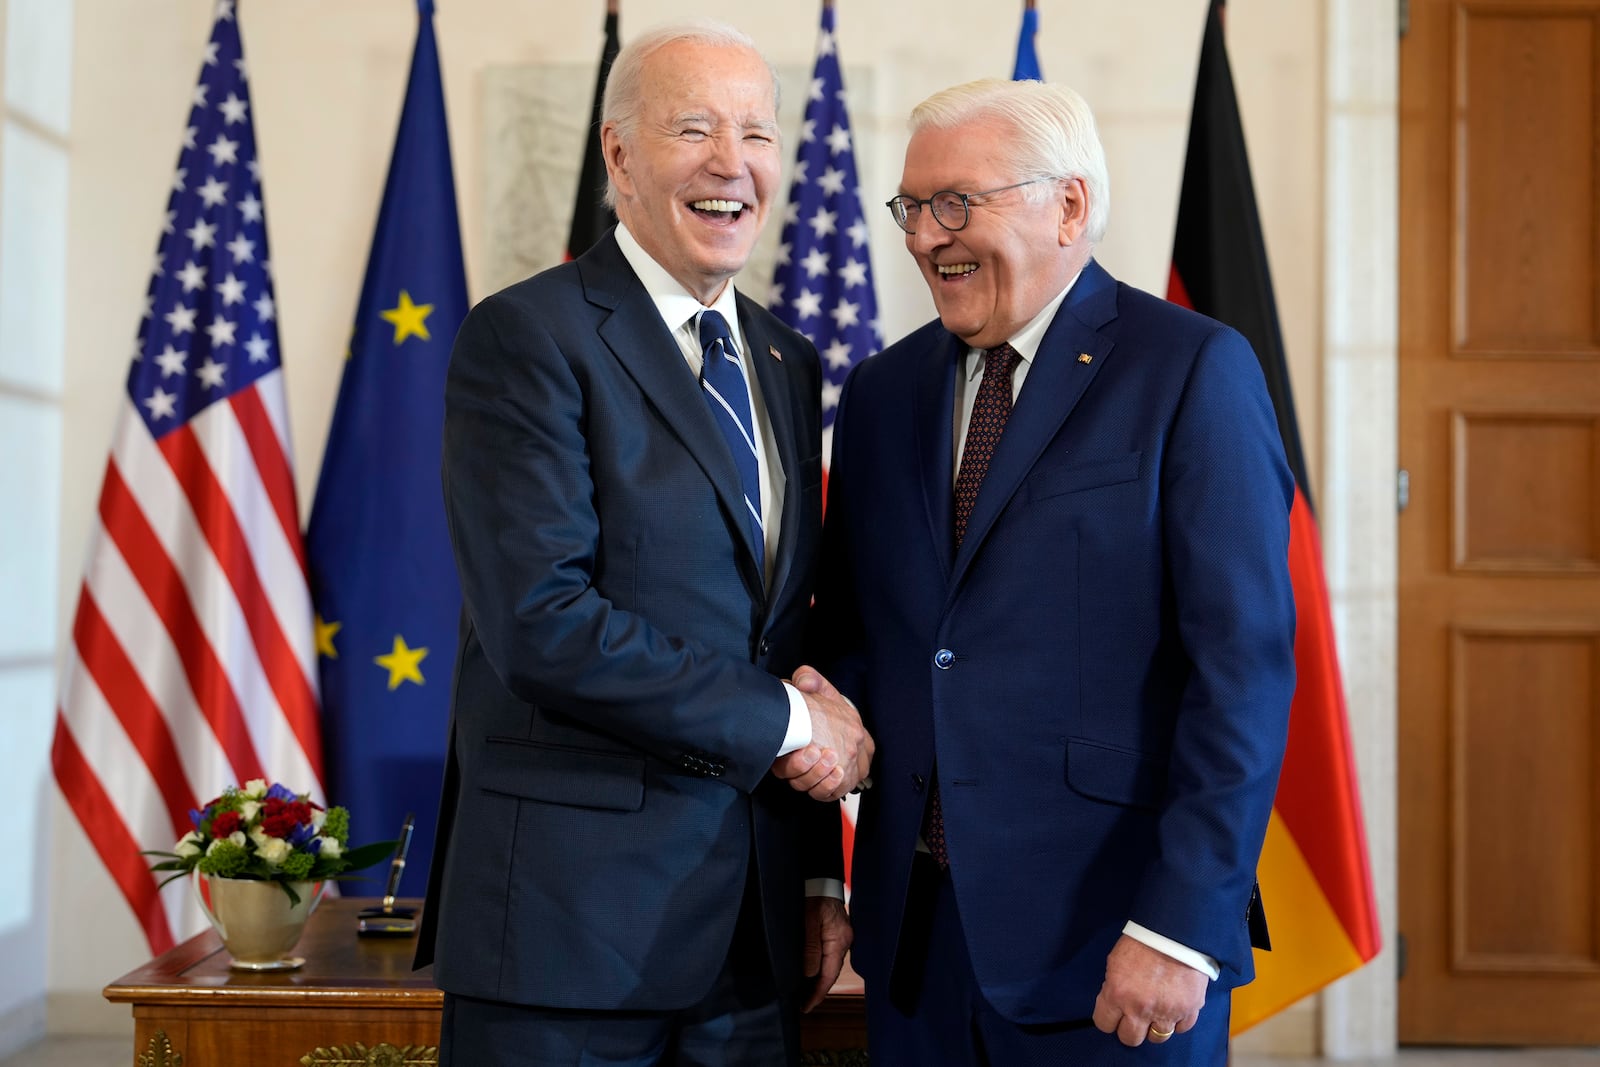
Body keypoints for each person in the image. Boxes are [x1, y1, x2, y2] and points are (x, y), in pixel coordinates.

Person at [806, 77, 1295, 1065]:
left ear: (1068, 204)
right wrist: (819, 870)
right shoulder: (879, 392)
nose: (924, 237)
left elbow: (1239, 670)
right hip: (915, 949)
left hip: (1113, 946)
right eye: (911, 208)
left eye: (956, 203)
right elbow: (852, 643)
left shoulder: (1191, 369)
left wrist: (1179, 925)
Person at [415, 20, 873, 1067]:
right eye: (695, 130)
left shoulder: (784, 359)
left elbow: (777, 629)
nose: (733, 164)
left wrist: (812, 876)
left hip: (748, 945)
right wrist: (791, 719)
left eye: (758, 134)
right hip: (565, 938)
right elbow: (543, 624)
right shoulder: (527, 337)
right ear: (619, 155)